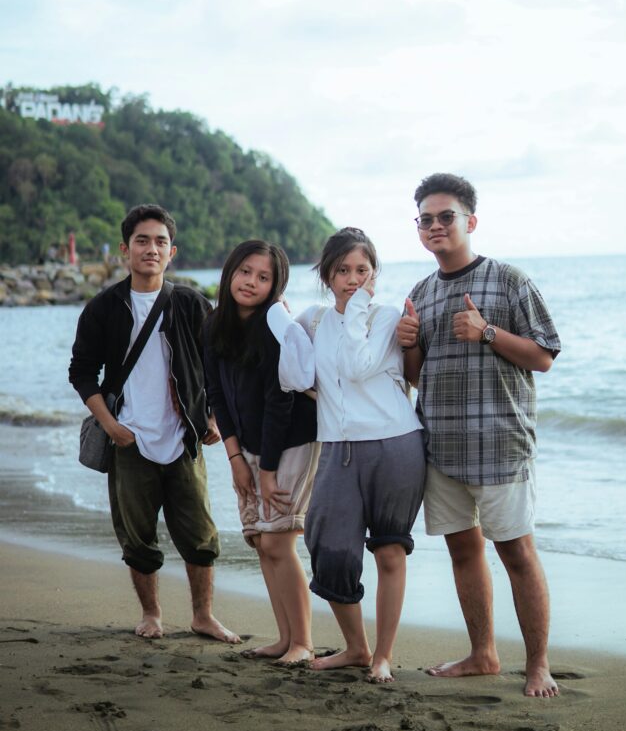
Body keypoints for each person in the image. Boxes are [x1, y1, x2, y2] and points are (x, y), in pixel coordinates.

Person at [397, 174, 561, 698]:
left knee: (517, 554)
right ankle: (483, 654)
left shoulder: (509, 280)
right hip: (441, 448)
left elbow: (544, 356)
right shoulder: (421, 293)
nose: (436, 226)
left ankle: (538, 665)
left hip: (500, 445)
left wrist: (487, 331)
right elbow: (417, 376)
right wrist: (408, 344)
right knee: (463, 553)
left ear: (470, 221)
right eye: (426, 219)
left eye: (446, 216)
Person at [69, 203, 238, 643]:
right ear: (125, 249)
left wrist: (214, 416)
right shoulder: (104, 308)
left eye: (160, 241)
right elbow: (82, 372)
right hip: (129, 440)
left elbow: (219, 364)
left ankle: (203, 616)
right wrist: (109, 424)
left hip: (183, 439)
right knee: (137, 538)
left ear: (172, 251)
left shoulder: (190, 303)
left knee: (200, 536)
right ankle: (152, 615)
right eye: (141, 241)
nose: (151, 249)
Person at [267, 227, 426, 683]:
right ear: (326, 275)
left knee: (390, 551)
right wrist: (279, 318)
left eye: (362, 270)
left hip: (396, 444)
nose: (353, 279)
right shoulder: (313, 322)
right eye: (342, 271)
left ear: (374, 273)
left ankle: (382, 656)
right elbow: (294, 377)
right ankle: (356, 647)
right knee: (329, 550)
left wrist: (357, 307)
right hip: (337, 448)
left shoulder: (386, 317)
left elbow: (358, 366)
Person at [203, 240, 319, 666]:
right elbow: (216, 395)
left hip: (292, 440)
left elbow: (280, 401)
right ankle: (284, 638)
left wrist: (267, 470)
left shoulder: (276, 327)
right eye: (245, 271)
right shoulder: (213, 326)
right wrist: (235, 459)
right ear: (230, 272)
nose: (251, 282)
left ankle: (303, 642)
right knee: (260, 541)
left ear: (275, 286)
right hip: (248, 445)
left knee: (278, 540)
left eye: (263, 277)